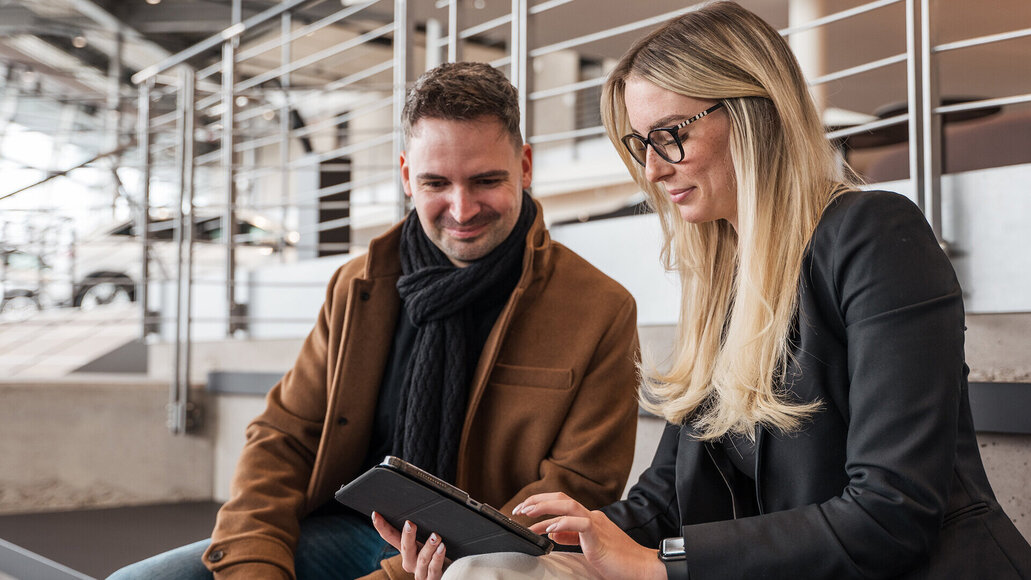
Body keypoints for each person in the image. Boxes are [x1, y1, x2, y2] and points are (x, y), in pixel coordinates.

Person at [383, 3, 1031, 579]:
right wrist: (538, 543)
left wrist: (660, 564)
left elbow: (891, 514)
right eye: (640, 144)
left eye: (669, 135)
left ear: (755, 115)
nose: (652, 168)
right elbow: (667, 496)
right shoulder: (725, 279)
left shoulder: (874, 235)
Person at [108, 61, 641, 580]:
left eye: (485, 181)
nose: (461, 208)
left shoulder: (599, 309)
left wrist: (399, 574)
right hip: (344, 531)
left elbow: (577, 488)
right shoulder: (357, 285)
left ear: (524, 167)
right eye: (436, 182)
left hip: (477, 562)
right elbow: (284, 436)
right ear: (408, 176)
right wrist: (255, 563)